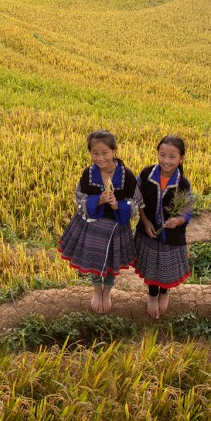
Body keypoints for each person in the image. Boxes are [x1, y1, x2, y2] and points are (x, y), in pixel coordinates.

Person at [57, 129, 138, 313]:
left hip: (116, 226)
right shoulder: (89, 174)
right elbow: (80, 197)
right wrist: (98, 200)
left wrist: (118, 205)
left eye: (104, 153)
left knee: (110, 261)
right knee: (94, 259)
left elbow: (136, 202)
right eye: (95, 153)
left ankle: (107, 291)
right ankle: (96, 290)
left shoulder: (127, 176)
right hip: (92, 223)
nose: (100, 158)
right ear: (90, 153)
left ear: (114, 151)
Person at [134, 135, 193, 319]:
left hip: (171, 237)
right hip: (148, 232)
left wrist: (178, 221)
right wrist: (145, 221)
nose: (166, 161)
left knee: (166, 269)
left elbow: (187, 210)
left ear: (181, 159)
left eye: (172, 157)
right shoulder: (146, 175)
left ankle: (164, 293)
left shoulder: (182, 183)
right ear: (157, 154)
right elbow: (137, 199)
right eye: (162, 155)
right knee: (151, 267)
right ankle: (152, 295)